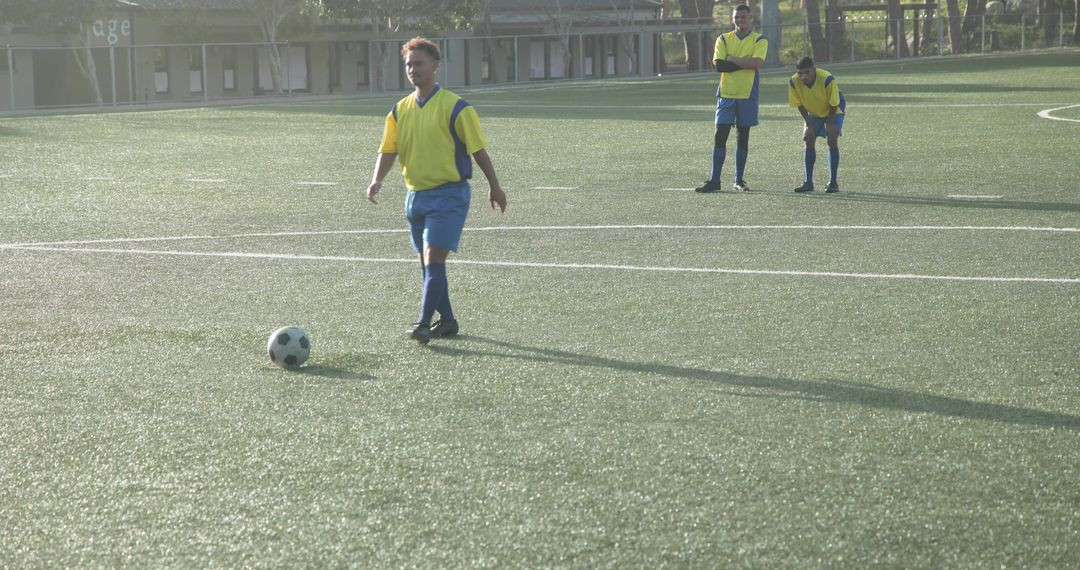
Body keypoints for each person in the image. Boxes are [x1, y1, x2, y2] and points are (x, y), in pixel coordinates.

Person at [367, 37, 507, 344]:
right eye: (408, 64)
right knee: (427, 264)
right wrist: (377, 179)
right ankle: (448, 321)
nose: (413, 69)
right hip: (414, 196)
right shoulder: (399, 110)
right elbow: (388, 149)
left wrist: (494, 186)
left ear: (435, 65)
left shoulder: (457, 107)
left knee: (433, 259)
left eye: (419, 63)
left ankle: (422, 324)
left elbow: (478, 150)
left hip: (449, 195)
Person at [695, 4, 768, 194]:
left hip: (747, 94)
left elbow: (757, 63)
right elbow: (719, 66)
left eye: (743, 17)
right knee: (720, 136)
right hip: (726, 94)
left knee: (742, 138)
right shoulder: (723, 39)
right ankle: (715, 180)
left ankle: (739, 180)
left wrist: (733, 59)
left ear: (750, 18)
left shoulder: (759, 39)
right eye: (737, 17)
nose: (740, 21)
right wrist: (746, 63)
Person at [788, 56, 845, 193]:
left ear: (814, 69)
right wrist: (809, 125)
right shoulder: (794, 81)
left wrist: (830, 124)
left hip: (833, 109)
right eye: (800, 73)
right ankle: (808, 182)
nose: (803, 76)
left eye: (807, 72)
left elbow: (834, 103)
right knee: (808, 139)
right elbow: (799, 104)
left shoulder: (827, 79)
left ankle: (833, 183)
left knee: (832, 138)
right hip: (814, 111)